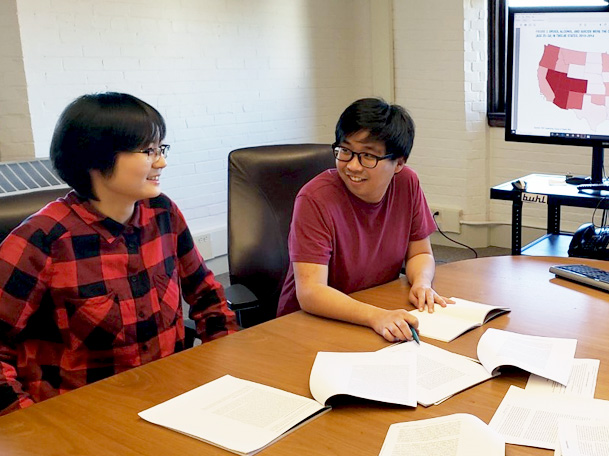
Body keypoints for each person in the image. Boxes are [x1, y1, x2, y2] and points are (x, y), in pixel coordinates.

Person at [0, 93, 238, 415]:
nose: (161, 162)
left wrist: (222, 374)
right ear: (96, 158)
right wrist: (30, 423)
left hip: (172, 401)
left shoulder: (162, 212)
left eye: (161, 149)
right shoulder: (42, 239)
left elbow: (208, 297)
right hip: (82, 421)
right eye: (148, 151)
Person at [276, 98, 448, 342]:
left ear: (398, 162)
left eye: (368, 156)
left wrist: (421, 283)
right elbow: (311, 292)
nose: (353, 166)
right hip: (310, 325)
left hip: (372, 309)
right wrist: (375, 316)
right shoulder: (315, 199)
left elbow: (420, 253)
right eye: (345, 151)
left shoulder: (407, 183)